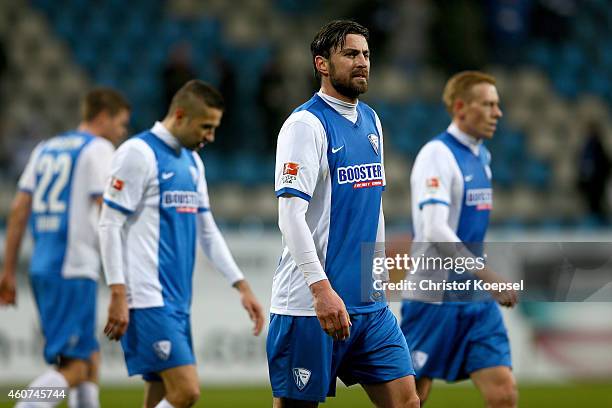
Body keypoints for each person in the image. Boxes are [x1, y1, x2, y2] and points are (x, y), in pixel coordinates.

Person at [267, 20, 420, 408]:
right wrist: (321, 291)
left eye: (366, 54)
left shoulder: (372, 121)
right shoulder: (306, 125)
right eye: (350, 54)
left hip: (369, 303)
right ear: (322, 64)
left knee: (407, 402)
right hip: (310, 306)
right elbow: (290, 216)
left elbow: (375, 205)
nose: (362, 62)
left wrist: (380, 277)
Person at [99, 79, 264, 408]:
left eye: (214, 128)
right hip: (147, 298)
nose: (210, 137)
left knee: (161, 393)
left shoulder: (192, 163)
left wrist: (241, 285)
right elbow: (109, 222)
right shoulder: (137, 153)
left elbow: (208, 231)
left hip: (177, 299)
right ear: (180, 115)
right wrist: (118, 292)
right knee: (186, 392)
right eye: (206, 126)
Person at [0, 88, 131, 408]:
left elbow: (19, 209)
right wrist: (122, 269)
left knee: (88, 355)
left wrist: (7, 270)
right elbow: (106, 208)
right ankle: (27, 403)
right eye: (121, 123)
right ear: (103, 117)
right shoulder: (98, 149)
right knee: (75, 367)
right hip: (73, 267)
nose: (122, 132)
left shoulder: (46, 148)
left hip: (42, 265)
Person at [400, 71, 518, 407]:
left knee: (504, 393)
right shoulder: (436, 155)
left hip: (473, 298)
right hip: (433, 296)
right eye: (488, 104)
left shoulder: (483, 156)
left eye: (497, 104)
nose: (498, 113)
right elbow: (435, 229)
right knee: (412, 399)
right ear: (462, 108)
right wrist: (488, 275)